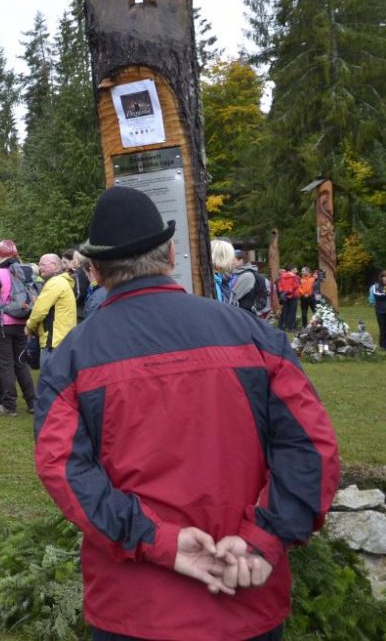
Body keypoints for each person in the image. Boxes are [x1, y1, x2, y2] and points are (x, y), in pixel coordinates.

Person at [34, 185, 340, 641]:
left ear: (95, 271)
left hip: (140, 608)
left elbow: (65, 471)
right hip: (238, 596)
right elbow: (311, 448)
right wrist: (263, 539)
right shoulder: (253, 336)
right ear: (171, 252)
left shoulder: (74, 357)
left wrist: (162, 539)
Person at [0, 240, 36, 417]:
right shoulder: (24, 271)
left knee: (6, 365)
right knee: (21, 363)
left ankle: (9, 405)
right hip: (21, 321)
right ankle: (32, 402)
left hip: (2, 324)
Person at [26, 253, 76, 365]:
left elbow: (39, 311)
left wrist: (29, 326)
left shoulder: (55, 283)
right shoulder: (62, 281)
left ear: (54, 265)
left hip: (54, 342)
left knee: (49, 380)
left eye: (42, 264)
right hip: (64, 339)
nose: (39, 268)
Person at [209, 239, 236, 304]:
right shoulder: (213, 283)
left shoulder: (220, 280)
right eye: (231, 258)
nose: (234, 261)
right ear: (221, 259)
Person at [276, 265, 299, 331]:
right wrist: (289, 291)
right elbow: (295, 285)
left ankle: (282, 326)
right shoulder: (294, 277)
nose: (296, 271)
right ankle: (290, 327)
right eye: (295, 269)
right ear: (291, 270)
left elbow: (279, 285)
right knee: (292, 312)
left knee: (284, 311)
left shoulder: (282, 276)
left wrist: (283, 292)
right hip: (293, 296)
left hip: (285, 296)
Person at [369, 270, 386, 348]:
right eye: (384, 277)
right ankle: (383, 345)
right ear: (381, 278)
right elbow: (375, 296)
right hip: (380, 310)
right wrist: (373, 303)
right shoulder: (375, 287)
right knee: (383, 328)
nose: (385, 279)